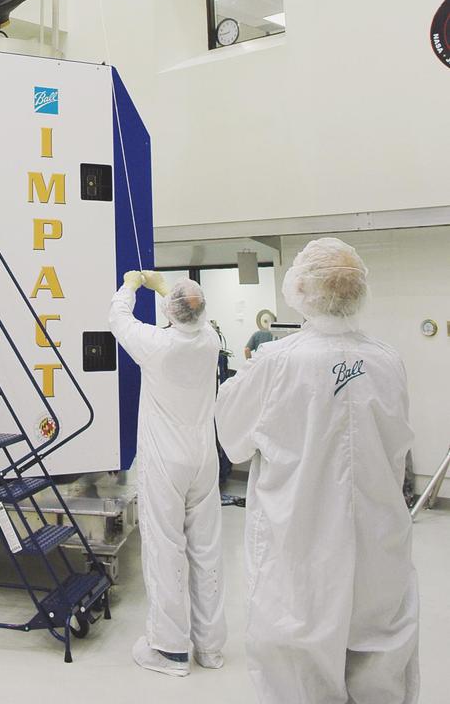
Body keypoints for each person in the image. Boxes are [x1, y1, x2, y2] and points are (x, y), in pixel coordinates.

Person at [215, 239, 419, 704]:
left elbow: (233, 440)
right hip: (380, 539)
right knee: (381, 655)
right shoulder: (388, 360)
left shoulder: (276, 361)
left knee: (297, 663)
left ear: (300, 289)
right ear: (357, 293)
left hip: (299, 543)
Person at [109, 271, 226, 677]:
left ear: (168, 313)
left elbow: (118, 319)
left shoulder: (158, 346)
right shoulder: (210, 341)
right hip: (203, 457)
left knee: (165, 548)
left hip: (166, 461)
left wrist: (130, 285)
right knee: (207, 550)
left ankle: (170, 649)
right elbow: (190, 310)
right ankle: (211, 648)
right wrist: (162, 287)